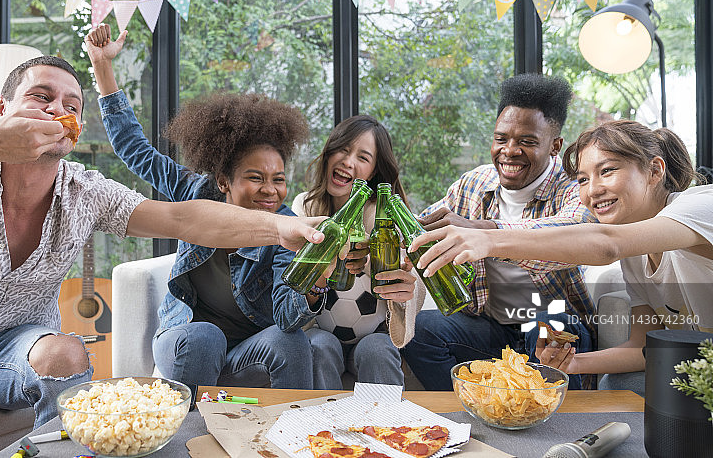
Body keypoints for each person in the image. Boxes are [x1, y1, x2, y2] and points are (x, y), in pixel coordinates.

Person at [0, 49, 325, 428]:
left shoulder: (87, 193)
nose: (58, 110)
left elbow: (180, 219)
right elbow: (138, 150)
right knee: (202, 334)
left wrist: (280, 230)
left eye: (72, 106)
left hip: (11, 351)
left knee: (67, 353)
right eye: (42, 97)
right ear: (2, 109)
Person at [86, 24, 326, 389]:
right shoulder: (194, 192)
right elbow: (135, 150)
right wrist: (103, 69)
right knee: (204, 337)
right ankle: (184, 439)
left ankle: (291, 439)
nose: (270, 190)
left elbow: (284, 316)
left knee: (289, 339)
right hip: (187, 338)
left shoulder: (286, 228)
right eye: (255, 177)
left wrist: (313, 284)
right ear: (224, 181)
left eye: (278, 179)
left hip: (247, 350)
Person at [410, 120, 711, 396]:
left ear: (655, 171)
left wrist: (488, 238)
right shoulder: (637, 256)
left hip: (699, 373)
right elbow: (644, 346)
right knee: (618, 383)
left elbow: (606, 245)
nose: (593, 190)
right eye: (582, 179)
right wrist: (573, 363)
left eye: (607, 171)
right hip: (700, 372)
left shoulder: (700, 204)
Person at [400, 73, 596, 391]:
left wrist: (485, 233)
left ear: (555, 146)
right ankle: (474, 412)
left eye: (527, 142)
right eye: (501, 138)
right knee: (421, 330)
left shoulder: (574, 185)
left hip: (551, 316)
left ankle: (552, 424)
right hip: (488, 325)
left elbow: (577, 230)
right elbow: (418, 226)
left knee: (553, 332)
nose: (509, 151)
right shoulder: (473, 184)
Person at [292, 115, 425, 389]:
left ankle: (390, 429)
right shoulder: (305, 205)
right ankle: (320, 428)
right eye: (342, 149)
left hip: (373, 333)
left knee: (377, 350)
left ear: (374, 171)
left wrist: (377, 265)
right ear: (329, 153)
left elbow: (415, 277)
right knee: (319, 347)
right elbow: (292, 277)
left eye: (363, 157)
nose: (348, 161)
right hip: (320, 330)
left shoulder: (386, 217)